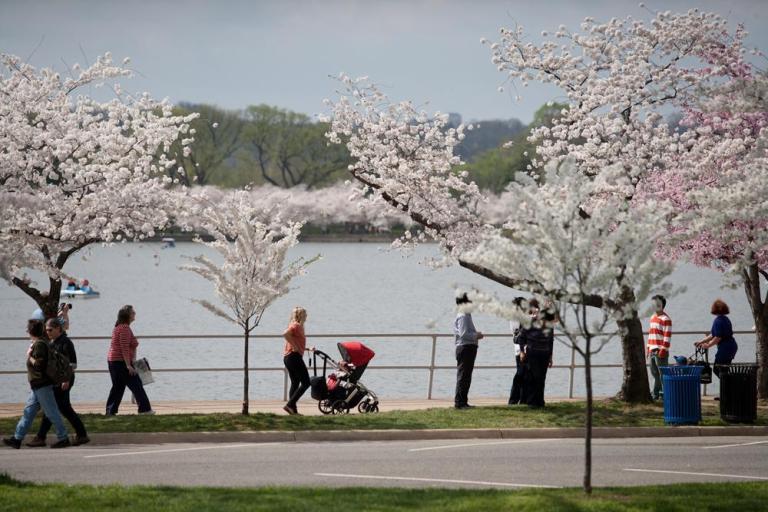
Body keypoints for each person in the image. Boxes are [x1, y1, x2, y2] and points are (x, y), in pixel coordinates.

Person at [2, 320, 70, 449]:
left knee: (52, 412)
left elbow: (40, 365)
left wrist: (29, 356)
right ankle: (17, 439)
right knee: (28, 412)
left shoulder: (40, 345)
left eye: (28, 329)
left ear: (30, 331)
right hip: (37, 386)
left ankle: (63, 438)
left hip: (42, 385)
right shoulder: (40, 343)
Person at [26, 318, 89, 447]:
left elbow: (72, 364)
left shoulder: (66, 343)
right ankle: (81, 435)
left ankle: (42, 437)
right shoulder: (51, 342)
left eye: (50, 330)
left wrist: (66, 380)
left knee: (54, 407)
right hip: (56, 380)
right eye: (46, 330)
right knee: (59, 407)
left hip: (65, 379)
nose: (47, 332)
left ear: (58, 329)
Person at [105, 305, 154, 415]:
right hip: (121, 362)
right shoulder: (124, 329)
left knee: (118, 387)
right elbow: (124, 348)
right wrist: (128, 365)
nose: (135, 313)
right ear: (127, 315)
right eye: (133, 312)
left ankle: (110, 411)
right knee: (136, 385)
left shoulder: (120, 327)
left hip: (114, 361)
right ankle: (145, 410)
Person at [519, 306, 554, 408]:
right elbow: (521, 338)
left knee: (541, 378)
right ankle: (531, 401)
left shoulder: (549, 325)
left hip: (545, 354)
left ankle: (540, 401)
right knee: (533, 377)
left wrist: (551, 356)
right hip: (532, 353)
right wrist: (522, 351)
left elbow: (551, 341)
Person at [454, 293, 483, 409]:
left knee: (466, 376)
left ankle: (463, 401)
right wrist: (476, 335)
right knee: (463, 375)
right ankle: (460, 402)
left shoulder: (466, 315)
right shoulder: (463, 316)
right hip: (465, 348)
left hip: (467, 348)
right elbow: (464, 334)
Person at [695, 299, 738, 378]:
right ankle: (729, 387)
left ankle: (728, 387)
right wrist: (701, 341)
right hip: (732, 346)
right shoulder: (726, 319)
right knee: (724, 370)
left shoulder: (718, 321)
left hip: (725, 348)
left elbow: (718, 337)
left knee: (717, 369)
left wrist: (708, 345)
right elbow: (713, 335)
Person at [282, 307, 313, 415]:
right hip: (294, 357)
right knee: (306, 383)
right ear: (300, 315)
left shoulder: (296, 325)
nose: (306, 316)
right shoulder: (296, 325)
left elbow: (295, 341)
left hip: (289, 357)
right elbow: (285, 334)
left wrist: (306, 348)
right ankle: (289, 405)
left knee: (295, 383)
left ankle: (293, 411)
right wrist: (295, 347)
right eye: (305, 314)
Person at [508, 298, 537, 405]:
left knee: (525, 375)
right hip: (520, 350)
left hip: (524, 349)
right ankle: (514, 400)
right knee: (520, 374)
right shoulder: (516, 318)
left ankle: (523, 399)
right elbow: (519, 332)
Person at [647, 295, 672, 401]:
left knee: (662, 375)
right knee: (654, 374)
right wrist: (648, 348)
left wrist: (663, 349)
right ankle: (656, 394)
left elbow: (667, 336)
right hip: (652, 350)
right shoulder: (652, 317)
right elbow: (650, 334)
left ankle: (664, 395)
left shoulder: (666, 319)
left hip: (660, 351)